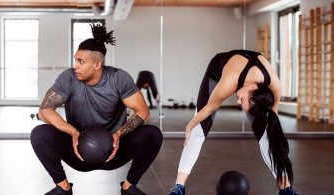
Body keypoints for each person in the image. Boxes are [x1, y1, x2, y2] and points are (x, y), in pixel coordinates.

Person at [30, 23, 163, 195]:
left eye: (81, 62)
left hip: (114, 150)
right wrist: (73, 133)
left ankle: (129, 187)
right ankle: (62, 188)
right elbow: (44, 111)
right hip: (78, 151)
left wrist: (118, 135)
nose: (75, 66)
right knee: (40, 134)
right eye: (75, 60)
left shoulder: (118, 78)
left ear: (97, 64)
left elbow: (143, 112)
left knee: (153, 134)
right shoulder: (69, 78)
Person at [169, 50, 301, 195]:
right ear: (251, 88)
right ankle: (178, 187)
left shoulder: (275, 87)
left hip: (245, 75)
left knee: (267, 134)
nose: (237, 101)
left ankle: (286, 188)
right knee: (198, 128)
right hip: (218, 71)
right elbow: (208, 108)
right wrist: (189, 126)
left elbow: (273, 116)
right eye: (242, 100)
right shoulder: (229, 82)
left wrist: (276, 137)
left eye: (241, 102)